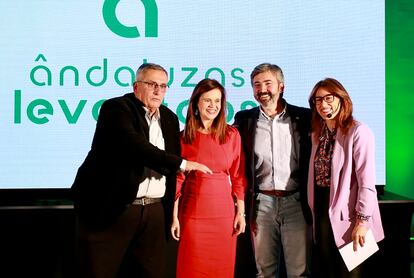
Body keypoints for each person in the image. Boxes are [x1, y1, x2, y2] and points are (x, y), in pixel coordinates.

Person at [71, 63, 211, 278]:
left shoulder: (169, 118)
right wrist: (182, 163)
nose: (158, 90)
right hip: (115, 208)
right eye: (152, 84)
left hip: (153, 212)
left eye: (163, 86)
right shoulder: (116, 109)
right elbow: (136, 147)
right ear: (136, 86)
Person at [234, 63, 312, 278]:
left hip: (296, 202)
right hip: (261, 203)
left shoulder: (304, 117)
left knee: (299, 272)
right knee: (264, 272)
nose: (262, 89)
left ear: (281, 86)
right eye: (256, 85)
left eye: (268, 83)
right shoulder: (244, 119)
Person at [307, 78, 384, 278]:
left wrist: (363, 222)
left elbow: (367, 183)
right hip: (323, 210)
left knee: (350, 273)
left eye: (329, 98)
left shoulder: (358, 131)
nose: (323, 104)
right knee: (329, 270)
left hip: (351, 215)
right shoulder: (318, 133)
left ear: (341, 99)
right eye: (318, 100)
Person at [170, 78, 247, 277]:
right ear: (196, 103)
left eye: (218, 101)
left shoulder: (232, 135)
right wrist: (174, 217)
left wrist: (241, 213)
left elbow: (238, 177)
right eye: (207, 100)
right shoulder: (183, 138)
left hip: (224, 216)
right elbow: (177, 181)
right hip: (193, 215)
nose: (213, 106)